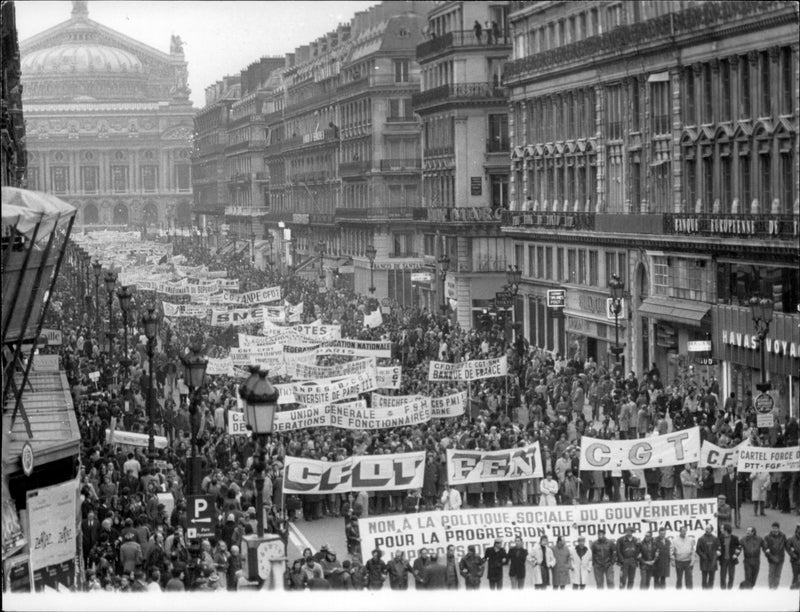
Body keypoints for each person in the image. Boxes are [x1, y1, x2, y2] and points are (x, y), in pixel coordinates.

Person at [763, 521, 787, 589]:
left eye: (776, 528)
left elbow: (786, 545)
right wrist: (770, 556)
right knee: (771, 574)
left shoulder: (783, 536)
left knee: (778, 574)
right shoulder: (767, 537)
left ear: (778, 529)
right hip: (772, 558)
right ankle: (771, 588)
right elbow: (765, 548)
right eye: (773, 528)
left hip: (780, 558)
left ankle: (775, 587)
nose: (774, 529)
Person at [717, 523, 741, 590]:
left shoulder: (735, 538)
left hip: (731, 560)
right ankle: (723, 590)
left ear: (726, 530)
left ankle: (729, 589)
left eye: (722, 528)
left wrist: (736, 555)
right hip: (723, 560)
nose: (721, 529)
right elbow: (717, 547)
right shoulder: (720, 538)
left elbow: (739, 547)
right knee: (722, 576)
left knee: (731, 576)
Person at [695, 524, 719, 589]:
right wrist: (704, 556)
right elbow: (698, 550)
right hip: (704, 561)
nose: (707, 530)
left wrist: (717, 554)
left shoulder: (715, 538)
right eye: (706, 528)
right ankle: (704, 591)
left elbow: (718, 548)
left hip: (713, 561)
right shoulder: (701, 539)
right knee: (704, 579)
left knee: (712, 578)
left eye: (708, 529)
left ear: (711, 530)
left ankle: (710, 591)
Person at [786, 524, 800, 590]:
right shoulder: (791, 539)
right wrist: (793, 555)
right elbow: (788, 548)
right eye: (799, 529)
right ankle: (793, 590)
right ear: (797, 530)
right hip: (795, 561)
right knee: (795, 576)